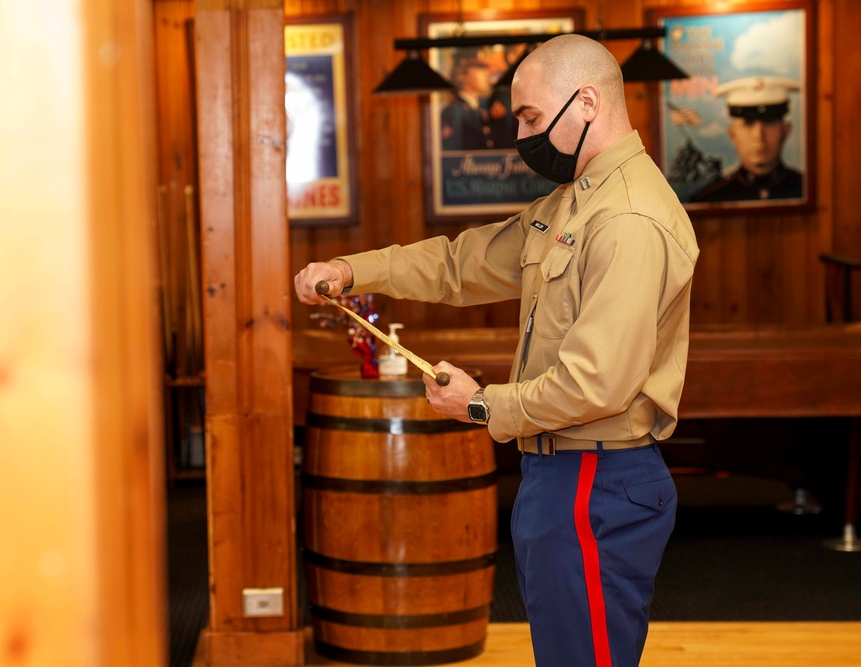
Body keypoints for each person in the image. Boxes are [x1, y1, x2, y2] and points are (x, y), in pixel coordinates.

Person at [295, 34, 700, 667]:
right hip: (560, 472)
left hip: (593, 476)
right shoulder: (577, 200)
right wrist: (352, 269)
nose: (522, 134)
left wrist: (481, 405)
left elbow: (597, 384)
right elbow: (461, 264)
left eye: (531, 117)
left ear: (587, 102)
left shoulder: (626, 217)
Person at [693, 76, 803, 202]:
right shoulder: (710, 198)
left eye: (769, 123)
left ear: (786, 130)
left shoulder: (808, 190)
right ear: (732, 133)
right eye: (748, 124)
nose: (759, 136)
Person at [440, 49, 516, 150]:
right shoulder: (455, 112)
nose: (487, 73)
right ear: (462, 74)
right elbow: (454, 156)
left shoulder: (481, 109)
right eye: (480, 67)